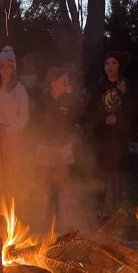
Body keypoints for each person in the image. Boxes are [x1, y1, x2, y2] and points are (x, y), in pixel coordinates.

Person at [86, 50, 137, 213]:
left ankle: (117, 209)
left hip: (120, 139)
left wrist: (124, 93)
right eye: (107, 63)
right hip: (102, 138)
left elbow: (133, 111)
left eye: (113, 63)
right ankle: (99, 209)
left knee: (118, 176)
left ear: (119, 65)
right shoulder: (98, 87)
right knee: (101, 175)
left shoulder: (126, 86)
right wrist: (103, 120)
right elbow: (91, 112)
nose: (110, 66)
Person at [0, 45, 29, 210]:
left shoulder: (19, 90)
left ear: (13, 68)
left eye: (9, 66)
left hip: (13, 140)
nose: (6, 69)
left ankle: (11, 214)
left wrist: (9, 129)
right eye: (3, 66)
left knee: (12, 177)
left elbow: (24, 116)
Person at [33, 66, 80, 232]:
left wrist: (71, 98)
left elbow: (74, 120)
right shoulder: (43, 100)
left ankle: (61, 221)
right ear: (53, 83)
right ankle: (44, 221)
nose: (66, 84)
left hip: (63, 147)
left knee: (62, 186)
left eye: (67, 81)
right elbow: (38, 123)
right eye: (63, 81)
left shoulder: (68, 101)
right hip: (46, 147)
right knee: (45, 187)